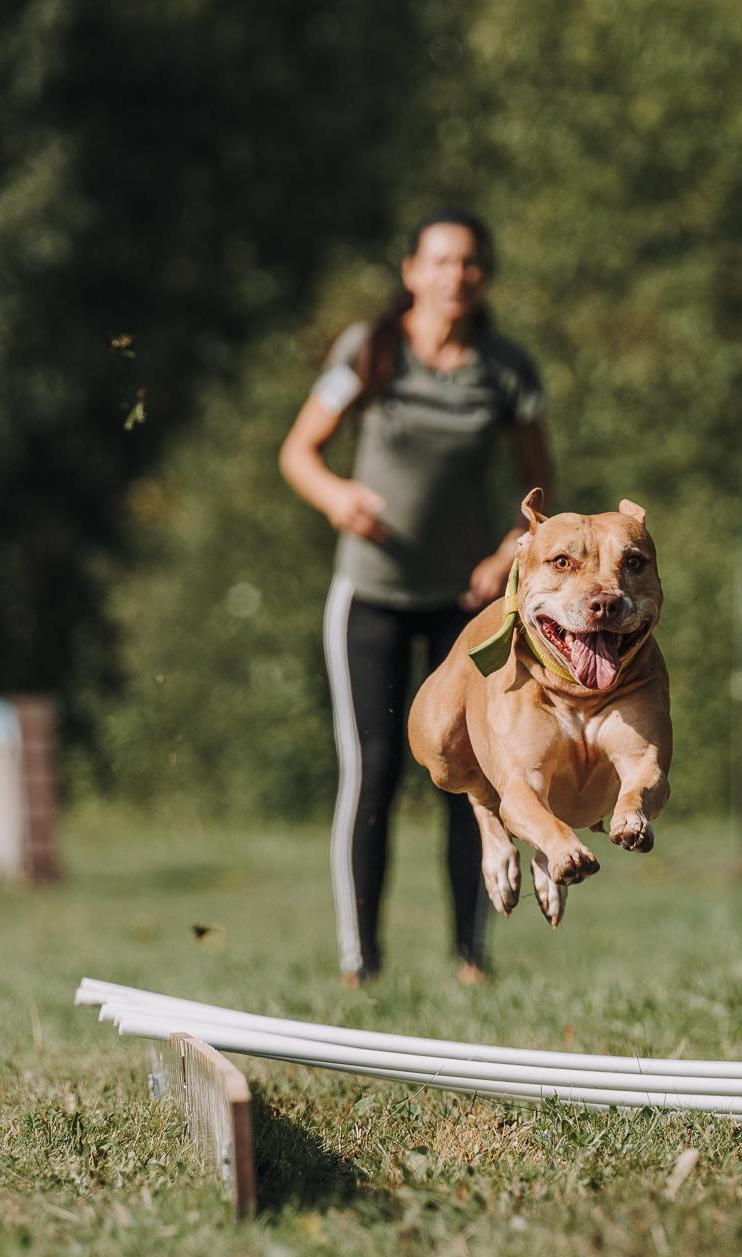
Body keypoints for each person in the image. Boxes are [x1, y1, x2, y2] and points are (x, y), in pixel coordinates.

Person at [278, 208, 553, 987]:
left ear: (483, 275)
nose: (454, 276)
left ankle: (473, 956)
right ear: (411, 272)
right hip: (371, 598)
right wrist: (336, 498)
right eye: (439, 262)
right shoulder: (369, 353)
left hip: (467, 605)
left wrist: (510, 552)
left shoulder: (507, 371)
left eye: (468, 263)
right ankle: (359, 962)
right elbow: (298, 451)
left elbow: (540, 489)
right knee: (372, 770)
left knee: (475, 772)